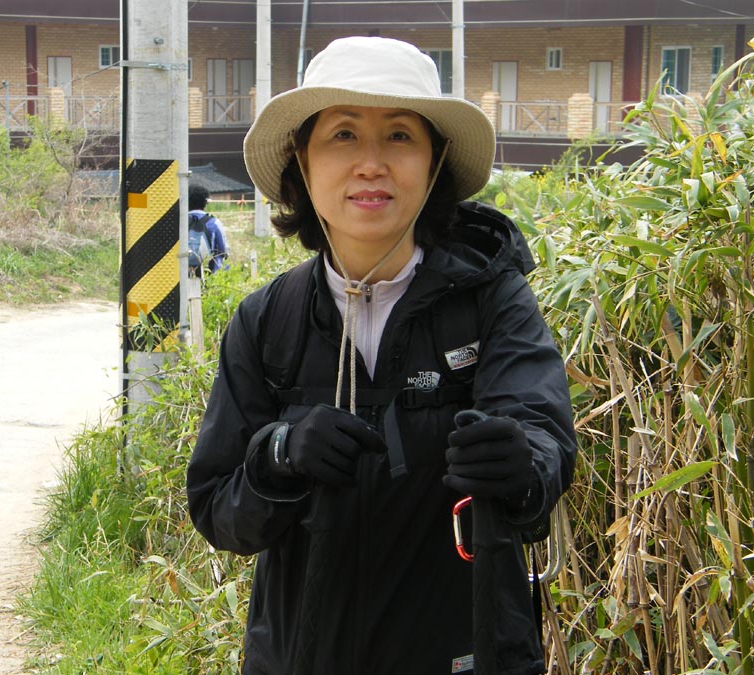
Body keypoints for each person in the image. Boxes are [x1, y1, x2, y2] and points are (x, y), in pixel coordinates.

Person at [186, 36, 576, 675]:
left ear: (434, 162)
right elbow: (219, 511)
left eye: (399, 136)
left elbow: (544, 446)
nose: (371, 163)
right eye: (342, 135)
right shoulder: (266, 322)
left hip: (468, 652)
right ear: (303, 166)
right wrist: (278, 456)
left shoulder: (492, 301)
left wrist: (521, 465)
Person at [188, 183, 230, 275]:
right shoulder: (214, 223)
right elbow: (224, 251)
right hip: (209, 273)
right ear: (205, 203)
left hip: (183, 273)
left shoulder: (180, 222)